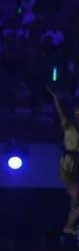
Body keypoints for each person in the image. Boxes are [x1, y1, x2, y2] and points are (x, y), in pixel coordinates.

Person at [49, 87, 79, 233]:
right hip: (70, 161)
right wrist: (55, 99)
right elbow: (60, 112)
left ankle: (69, 225)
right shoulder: (68, 126)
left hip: (75, 161)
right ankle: (69, 225)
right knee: (75, 193)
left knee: (76, 197)